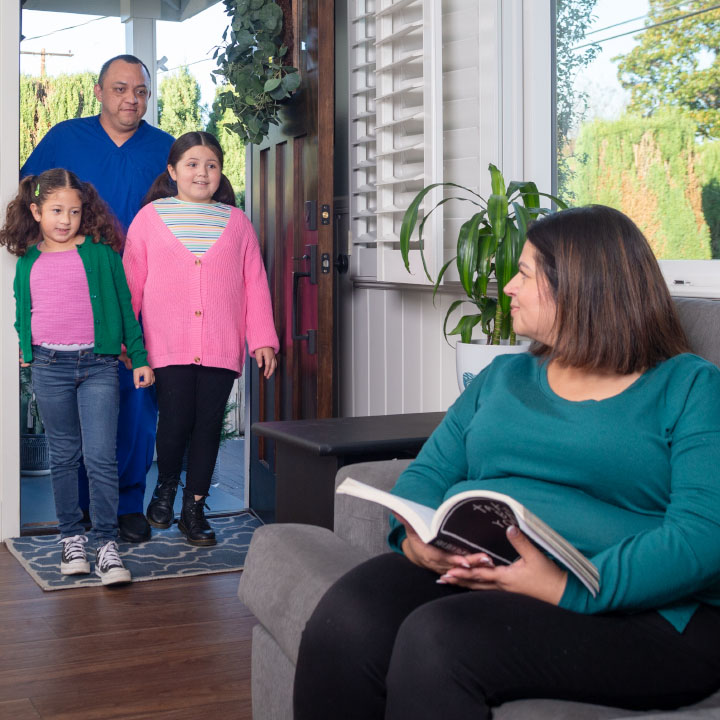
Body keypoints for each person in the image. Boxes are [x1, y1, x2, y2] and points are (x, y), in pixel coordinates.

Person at [293, 205, 720, 719]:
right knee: (347, 616)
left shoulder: (689, 386)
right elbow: (427, 476)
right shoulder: (503, 378)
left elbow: (703, 535)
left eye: (523, 273)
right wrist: (416, 541)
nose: (508, 288)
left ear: (581, 288)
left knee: (438, 641)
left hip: (650, 613)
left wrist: (567, 586)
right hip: (492, 567)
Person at [21, 54, 175, 543]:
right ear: (98, 91)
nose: (132, 99)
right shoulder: (65, 138)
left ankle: (126, 504)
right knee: (79, 403)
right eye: (120, 88)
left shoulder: (166, 149)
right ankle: (83, 509)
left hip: (145, 291)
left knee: (134, 401)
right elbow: (31, 198)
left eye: (141, 91)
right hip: (78, 292)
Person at [123, 131, 279, 546]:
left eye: (211, 164)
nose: (202, 172)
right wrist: (127, 341)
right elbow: (131, 284)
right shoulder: (150, 219)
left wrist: (262, 338)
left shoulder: (237, 221)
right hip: (165, 343)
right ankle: (167, 486)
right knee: (174, 423)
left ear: (221, 172)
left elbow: (255, 283)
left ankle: (194, 508)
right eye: (192, 164)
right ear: (172, 171)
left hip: (221, 344)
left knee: (209, 426)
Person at [0, 169, 154, 584]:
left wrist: (138, 357)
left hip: (99, 366)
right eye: (55, 211)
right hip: (49, 368)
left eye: (73, 211)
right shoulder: (29, 260)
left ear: (84, 211)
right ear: (36, 211)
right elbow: (22, 311)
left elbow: (125, 308)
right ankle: (72, 539)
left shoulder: (102, 255)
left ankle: (106, 545)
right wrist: (26, 348)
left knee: (101, 457)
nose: (64, 220)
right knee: (64, 457)